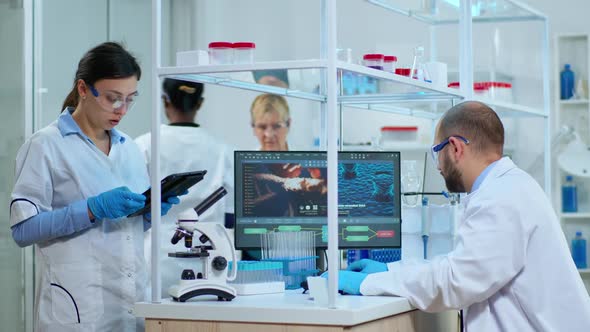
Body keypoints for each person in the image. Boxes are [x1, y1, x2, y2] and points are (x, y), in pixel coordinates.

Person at [329, 101, 590, 331]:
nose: (438, 166)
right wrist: (391, 269)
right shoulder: (509, 187)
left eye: (436, 153)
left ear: (454, 148)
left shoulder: (500, 197)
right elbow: (462, 263)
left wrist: (370, 283)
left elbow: (458, 280)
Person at [9, 42, 182, 332]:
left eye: (129, 99)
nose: (122, 109)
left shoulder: (129, 148)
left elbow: (124, 230)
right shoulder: (45, 146)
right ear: (83, 89)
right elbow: (23, 230)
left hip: (130, 305)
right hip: (77, 311)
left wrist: (148, 214)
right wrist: (91, 209)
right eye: (113, 98)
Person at [135, 78, 234, 297]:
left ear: (164, 101)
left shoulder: (144, 146)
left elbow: (134, 206)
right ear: (200, 103)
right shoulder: (222, 150)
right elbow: (231, 215)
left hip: (157, 259)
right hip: (208, 261)